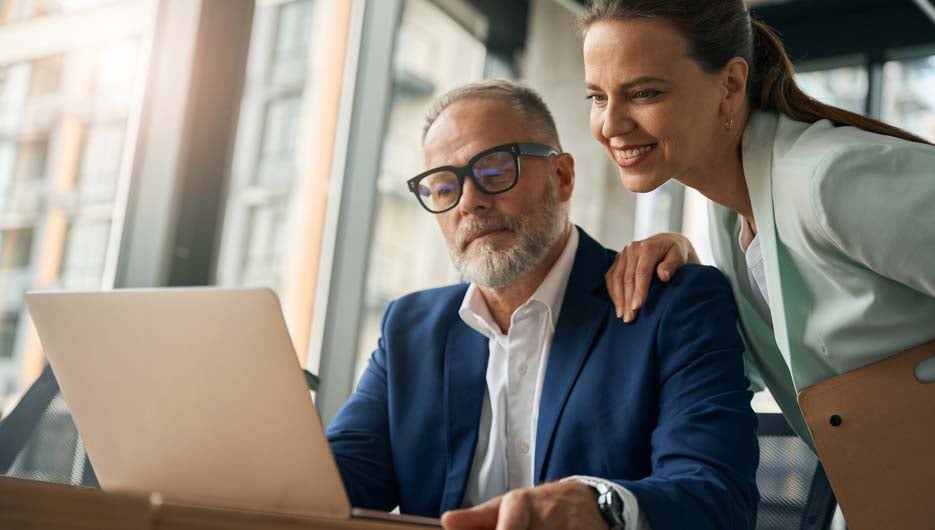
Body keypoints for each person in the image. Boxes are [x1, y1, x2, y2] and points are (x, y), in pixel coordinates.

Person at [325, 80, 759, 530]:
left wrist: (601, 506)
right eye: (442, 187)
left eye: (494, 171)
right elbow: (335, 481)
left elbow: (717, 496)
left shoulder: (670, 304)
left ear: (562, 176)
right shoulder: (409, 330)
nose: (469, 201)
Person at [578, 0, 935, 443]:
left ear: (730, 84)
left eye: (644, 93)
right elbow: (759, 365)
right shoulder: (731, 212)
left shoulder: (829, 180)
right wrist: (691, 279)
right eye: (597, 96)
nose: (610, 124)